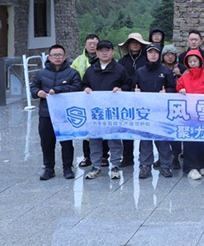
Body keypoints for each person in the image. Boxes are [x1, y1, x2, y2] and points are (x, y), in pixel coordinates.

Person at [31, 44, 82, 180]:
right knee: (46, 142)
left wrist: (58, 89)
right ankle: (49, 168)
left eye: (60, 55)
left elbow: (77, 88)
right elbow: (33, 87)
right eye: (54, 55)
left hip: (65, 114)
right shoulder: (41, 73)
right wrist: (38, 92)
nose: (57, 57)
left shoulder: (72, 73)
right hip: (46, 113)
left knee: (66, 142)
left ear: (65, 57)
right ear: (49, 57)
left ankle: (67, 168)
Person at [81, 40, 131, 180]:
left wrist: (121, 89)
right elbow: (83, 84)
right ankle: (96, 167)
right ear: (97, 53)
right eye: (101, 50)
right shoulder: (91, 70)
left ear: (112, 52)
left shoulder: (119, 69)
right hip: (95, 111)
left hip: (113, 111)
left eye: (107, 50)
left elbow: (128, 84)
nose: (104, 53)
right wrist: (86, 89)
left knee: (114, 139)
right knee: (95, 140)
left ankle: (115, 166)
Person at [132, 43, 175, 178]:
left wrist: (166, 92)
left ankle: (165, 165)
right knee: (145, 139)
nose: (153, 55)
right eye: (150, 52)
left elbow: (173, 88)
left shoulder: (165, 71)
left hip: (161, 111)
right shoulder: (140, 71)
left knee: (162, 140)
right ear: (146, 54)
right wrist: (135, 92)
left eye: (156, 52)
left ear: (159, 55)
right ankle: (145, 166)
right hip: (144, 112)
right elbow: (132, 87)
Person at [176, 50, 204, 180]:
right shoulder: (184, 78)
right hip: (189, 115)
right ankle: (191, 168)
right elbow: (177, 91)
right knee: (190, 141)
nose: (193, 63)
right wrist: (180, 92)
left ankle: (202, 163)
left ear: (200, 61)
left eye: (195, 60)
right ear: (186, 63)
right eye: (190, 61)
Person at [72, 33, 107, 168]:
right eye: (90, 44)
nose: (92, 46)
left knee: (103, 127)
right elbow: (73, 78)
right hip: (85, 99)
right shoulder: (78, 61)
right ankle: (87, 156)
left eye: (95, 44)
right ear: (85, 45)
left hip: (102, 100)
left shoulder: (105, 58)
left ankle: (104, 156)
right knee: (87, 129)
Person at [117, 32, 150, 167]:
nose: (135, 44)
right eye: (132, 42)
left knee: (145, 128)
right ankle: (127, 157)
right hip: (126, 98)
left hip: (144, 99)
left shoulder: (147, 60)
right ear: (128, 45)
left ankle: (145, 159)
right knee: (127, 129)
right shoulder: (122, 61)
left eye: (137, 42)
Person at [161, 44, 182, 170]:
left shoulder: (181, 68)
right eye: (167, 54)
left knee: (175, 133)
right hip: (162, 105)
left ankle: (176, 157)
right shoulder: (159, 69)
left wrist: (179, 75)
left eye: (172, 54)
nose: (170, 57)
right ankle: (163, 157)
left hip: (177, 105)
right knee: (162, 132)